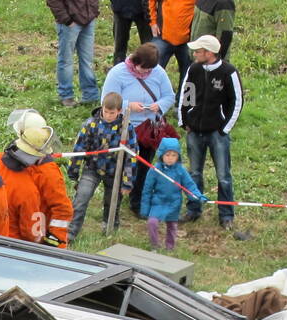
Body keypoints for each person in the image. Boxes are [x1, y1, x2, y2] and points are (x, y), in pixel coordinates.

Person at [176, 34, 246, 237]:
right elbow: (185, 94)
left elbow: (237, 102)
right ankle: (193, 209)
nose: (195, 53)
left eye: (198, 51)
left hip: (217, 133)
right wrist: (184, 120)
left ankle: (226, 215)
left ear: (209, 53)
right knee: (194, 173)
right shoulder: (194, 69)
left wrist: (225, 128)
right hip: (194, 131)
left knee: (223, 176)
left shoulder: (229, 72)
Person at [100, 43, 175, 216]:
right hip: (123, 128)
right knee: (120, 166)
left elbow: (169, 96)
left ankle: (137, 202)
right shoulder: (118, 73)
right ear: (135, 61)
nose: (145, 73)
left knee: (143, 167)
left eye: (149, 70)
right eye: (142, 68)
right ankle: (113, 202)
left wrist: (159, 106)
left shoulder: (159, 73)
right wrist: (128, 106)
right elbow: (106, 100)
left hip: (147, 130)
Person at [66, 92, 138, 241]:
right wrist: (73, 172)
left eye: (112, 113)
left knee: (112, 202)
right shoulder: (90, 124)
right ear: (102, 108)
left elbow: (131, 156)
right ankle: (70, 233)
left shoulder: (127, 128)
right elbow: (79, 149)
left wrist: (127, 182)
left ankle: (109, 230)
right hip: (92, 168)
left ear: (119, 111)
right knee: (81, 198)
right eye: (106, 111)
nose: (108, 115)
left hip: (114, 171)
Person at [0, 110, 73, 246]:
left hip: (40, 236)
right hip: (23, 232)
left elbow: (62, 209)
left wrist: (54, 240)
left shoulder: (48, 173)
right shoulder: (18, 161)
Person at [140, 136, 204, 251]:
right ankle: (155, 245)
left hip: (174, 203)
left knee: (172, 226)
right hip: (158, 203)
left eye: (174, 155)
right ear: (161, 155)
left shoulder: (181, 170)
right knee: (152, 223)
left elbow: (189, 185)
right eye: (167, 155)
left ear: (178, 156)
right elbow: (147, 190)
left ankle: (170, 247)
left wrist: (197, 196)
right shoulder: (155, 170)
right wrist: (145, 209)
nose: (170, 158)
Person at [46, 0, 100, 108]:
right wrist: (67, 20)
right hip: (69, 23)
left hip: (88, 20)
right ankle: (66, 95)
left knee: (87, 59)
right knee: (66, 60)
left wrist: (93, 11)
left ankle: (90, 95)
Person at [149, 0, 196, 92]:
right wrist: (153, 22)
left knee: (190, 75)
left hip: (188, 40)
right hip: (162, 36)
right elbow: (150, 2)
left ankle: (185, 104)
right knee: (151, 70)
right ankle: (150, 100)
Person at [109, 0, 152, 66]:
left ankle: (149, 72)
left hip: (144, 10)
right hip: (120, 8)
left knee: (148, 48)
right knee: (119, 47)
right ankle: (118, 73)